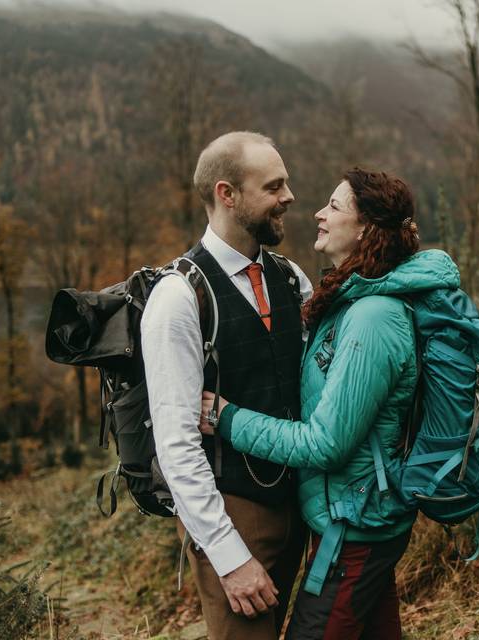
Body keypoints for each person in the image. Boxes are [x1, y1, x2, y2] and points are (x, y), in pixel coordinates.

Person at [200, 168, 462, 639]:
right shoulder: (352, 297)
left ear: (365, 229)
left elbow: (326, 444)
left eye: (335, 207)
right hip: (354, 518)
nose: (319, 213)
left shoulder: (373, 317)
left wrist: (227, 417)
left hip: (355, 528)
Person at [141, 131, 313, 640]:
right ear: (227, 194)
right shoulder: (178, 297)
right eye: (273, 186)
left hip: (296, 505)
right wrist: (228, 555)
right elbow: (175, 445)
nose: (290, 197)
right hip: (233, 515)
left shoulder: (290, 278)